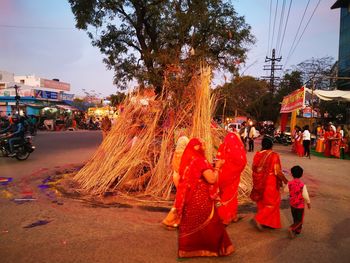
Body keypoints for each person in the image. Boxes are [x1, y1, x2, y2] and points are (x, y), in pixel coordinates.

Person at [175, 138, 234, 258]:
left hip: (189, 198)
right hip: (201, 198)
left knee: (191, 224)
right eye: (203, 146)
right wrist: (217, 167)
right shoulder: (200, 160)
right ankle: (211, 249)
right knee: (212, 224)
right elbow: (211, 179)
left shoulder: (188, 159)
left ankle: (187, 250)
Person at [250, 136, 288, 230]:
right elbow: (277, 172)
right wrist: (285, 181)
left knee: (262, 203)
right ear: (271, 145)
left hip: (258, 182)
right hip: (270, 183)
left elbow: (254, 168)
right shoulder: (274, 155)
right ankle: (259, 218)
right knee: (273, 203)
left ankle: (268, 223)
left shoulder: (257, 154)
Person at [216, 132, 247, 225]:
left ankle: (233, 216)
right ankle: (225, 218)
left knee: (224, 196)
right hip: (232, 176)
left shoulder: (222, 146)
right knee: (230, 196)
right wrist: (235, 172)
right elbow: (242, 162)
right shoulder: (237, 149)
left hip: (221, 176)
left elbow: (218, 159)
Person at [161, 135, 189, 229]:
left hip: (176, 176)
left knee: (180, 198)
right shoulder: (185, 154)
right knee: (182, 199)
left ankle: (175, 220)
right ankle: (172, 220)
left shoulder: (175, 153)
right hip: (182, 179)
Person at [286, 165, 311, 239]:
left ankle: (297, 230)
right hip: (300, 205)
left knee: (295, 217)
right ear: (301, 174)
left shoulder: (290, 183)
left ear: (292, 174)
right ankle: (292, 228)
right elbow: (305, 195)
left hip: (292, 204)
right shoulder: (302, 185)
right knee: (300, 220)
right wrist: (308, 203)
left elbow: (285, 190)